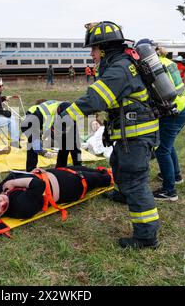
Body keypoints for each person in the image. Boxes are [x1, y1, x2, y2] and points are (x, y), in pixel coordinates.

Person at [59, 21, 160, 249]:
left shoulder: (119, 69)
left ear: (104, 48)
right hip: (129, 132)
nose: (92, 54)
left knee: (136, 181)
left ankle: (146, 236)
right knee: (117, 163)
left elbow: (95, 98)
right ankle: (123, 194)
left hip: (136, 134)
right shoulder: (121, 63)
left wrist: (66, 115)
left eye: (93, 49)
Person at [137, 39, 185, 201]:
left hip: (173, 111)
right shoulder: (168, 61)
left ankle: (169, 191)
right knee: (168, 145)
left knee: (162, 149)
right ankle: (175, 176)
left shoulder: (151, 67)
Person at [0, 166, 113, 220]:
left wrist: (29, 174)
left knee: (96, 170)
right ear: (1, 214)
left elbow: (13, 175)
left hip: (53, 173)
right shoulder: (20, 207)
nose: (1, 199)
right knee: (105, 178)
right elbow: (38, 185)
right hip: (70, 186)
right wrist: (14, 183)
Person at [21, 99, 81, 172]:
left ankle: (60, 168)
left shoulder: (71, 115)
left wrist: (78, 166)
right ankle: (31, 169)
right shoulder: (40, 114)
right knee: (33, 142)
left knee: (68, 141)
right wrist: (42, 151)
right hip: (32, 120)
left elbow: (75, 144)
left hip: (49, 121)